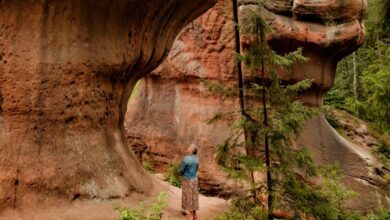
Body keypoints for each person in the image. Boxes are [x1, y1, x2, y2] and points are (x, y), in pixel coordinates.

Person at [179, 144, 199, 220]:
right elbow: (196, 169)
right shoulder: (197, 159)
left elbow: (181, 170)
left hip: (188, 179)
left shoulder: (186, 158)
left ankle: (190, 216)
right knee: (194, 197)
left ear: (191, 150)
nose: (188, 148)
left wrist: (181, 174)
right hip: (195, 179)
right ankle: (194, 215)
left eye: (189, 147)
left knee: (189, 197)